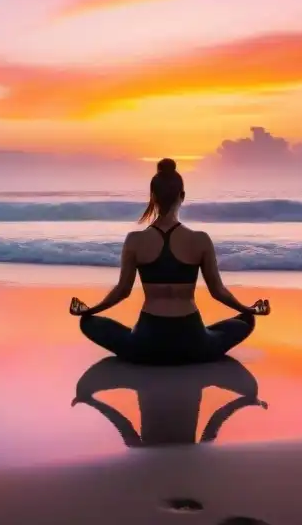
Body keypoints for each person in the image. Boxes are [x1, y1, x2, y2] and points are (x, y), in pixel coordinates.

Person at [70, 158, 270, 365]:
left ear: (153, 197)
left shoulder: (135, 240)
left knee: (88, 323)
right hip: (193, 343)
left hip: (147, 344)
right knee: (245, 320)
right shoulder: (200, 239)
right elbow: (217, 291)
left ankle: (131, 341)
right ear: (182, 196)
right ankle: (213, 334)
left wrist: (90, 310)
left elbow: (122, 291)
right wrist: (248, 309)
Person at [72, 355, 267, 447]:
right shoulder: (198, 372)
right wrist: (246, 400)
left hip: (162, 451)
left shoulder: (141, 375)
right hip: (184, 451)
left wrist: (91, 400)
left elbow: (124, 425)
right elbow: (214, 424)